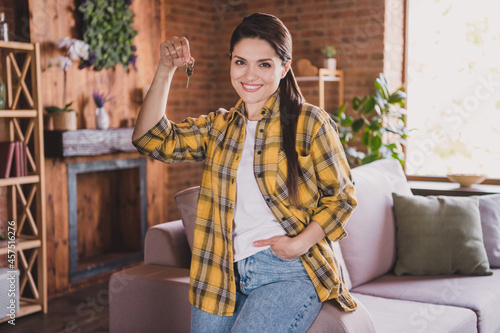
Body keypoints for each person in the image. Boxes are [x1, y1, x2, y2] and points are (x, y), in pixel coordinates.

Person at [132, 13, 358, 333]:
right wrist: (166, 69)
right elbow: (150, 139)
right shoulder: (219, 128)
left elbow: (342, 198)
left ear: (284, 67)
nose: (250, 74)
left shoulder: (309, 122)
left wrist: (299, 244)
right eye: (240, 62)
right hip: (220, 276)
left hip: (288, 271)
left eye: (264, 64)